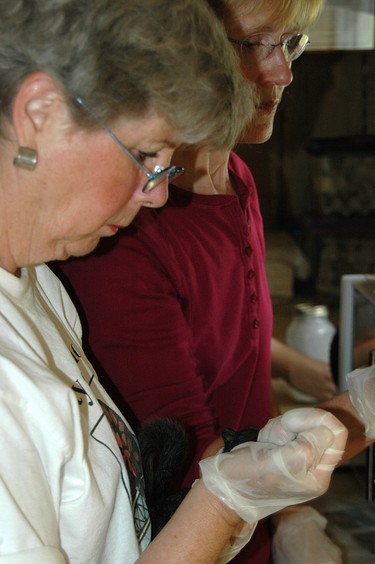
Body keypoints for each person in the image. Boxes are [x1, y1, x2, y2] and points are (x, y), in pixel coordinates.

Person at [0, 1, 351, 562]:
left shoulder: (40, 285)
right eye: (143, 155)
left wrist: (261, 488)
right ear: (38, 112)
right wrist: (226, 497)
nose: (158, 194)